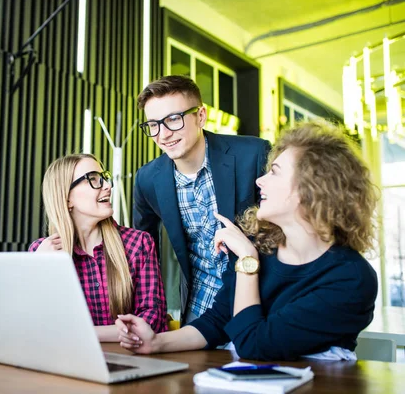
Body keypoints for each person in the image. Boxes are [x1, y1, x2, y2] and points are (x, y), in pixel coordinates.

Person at [116, 121, 378, 361]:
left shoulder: (351, 278)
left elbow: (254, 344)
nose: (259, 181)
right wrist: (156, 343)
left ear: (312, 189)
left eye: (274, 173)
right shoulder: (260, 245)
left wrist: (247, 261)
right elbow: (218, 320)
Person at [133, 75, 271, 323]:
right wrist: (151, 309)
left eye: (173, 119)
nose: (163, 134)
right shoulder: (147, 179)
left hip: (261, 299)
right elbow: (143, 249)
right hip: (201, 305)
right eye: (153, 124)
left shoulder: (253, 154)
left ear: (201, 116)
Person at [29, 154, 168, 342]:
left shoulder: (139, 244)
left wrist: (83, 334)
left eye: (104, 178)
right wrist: (40, 270)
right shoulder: (41, 252)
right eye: (93, 179)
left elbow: (153, 321)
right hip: (66, 364)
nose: (108, 186)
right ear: (66, 197)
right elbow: (35, 325)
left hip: (131, 362)